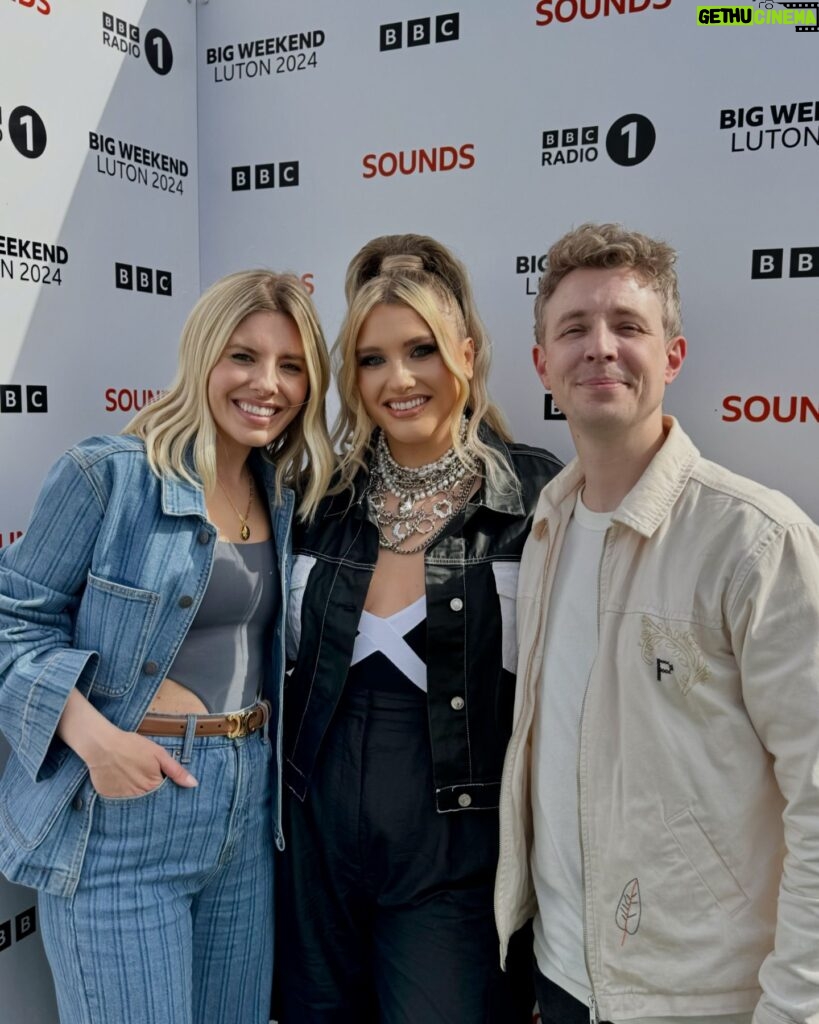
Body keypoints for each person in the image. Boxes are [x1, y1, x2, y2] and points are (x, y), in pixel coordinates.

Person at [494, 222, 819, 1024]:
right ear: (542, 364)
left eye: (627, 326)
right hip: (563, 978)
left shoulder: (755, 538)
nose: (599, 348)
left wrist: (793, 1006)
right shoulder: (544, 525)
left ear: (671, 357)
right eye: (573, 329)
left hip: (709, 998)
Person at [0, 270, 334, 1024]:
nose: (267, 384)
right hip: (124, 815)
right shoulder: (109, 477)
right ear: (201, 357)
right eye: (243, 357)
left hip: (246, 816)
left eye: (290, 366)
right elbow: (9, 621)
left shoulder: (284, 493)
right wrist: (95, 741)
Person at [277, 233, 562, 1023]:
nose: (398, 379)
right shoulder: (315, 499)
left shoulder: (537, 495)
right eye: (371, 359)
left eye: (421, 351)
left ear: (465, 355)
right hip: (313, 846)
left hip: (456, 858)